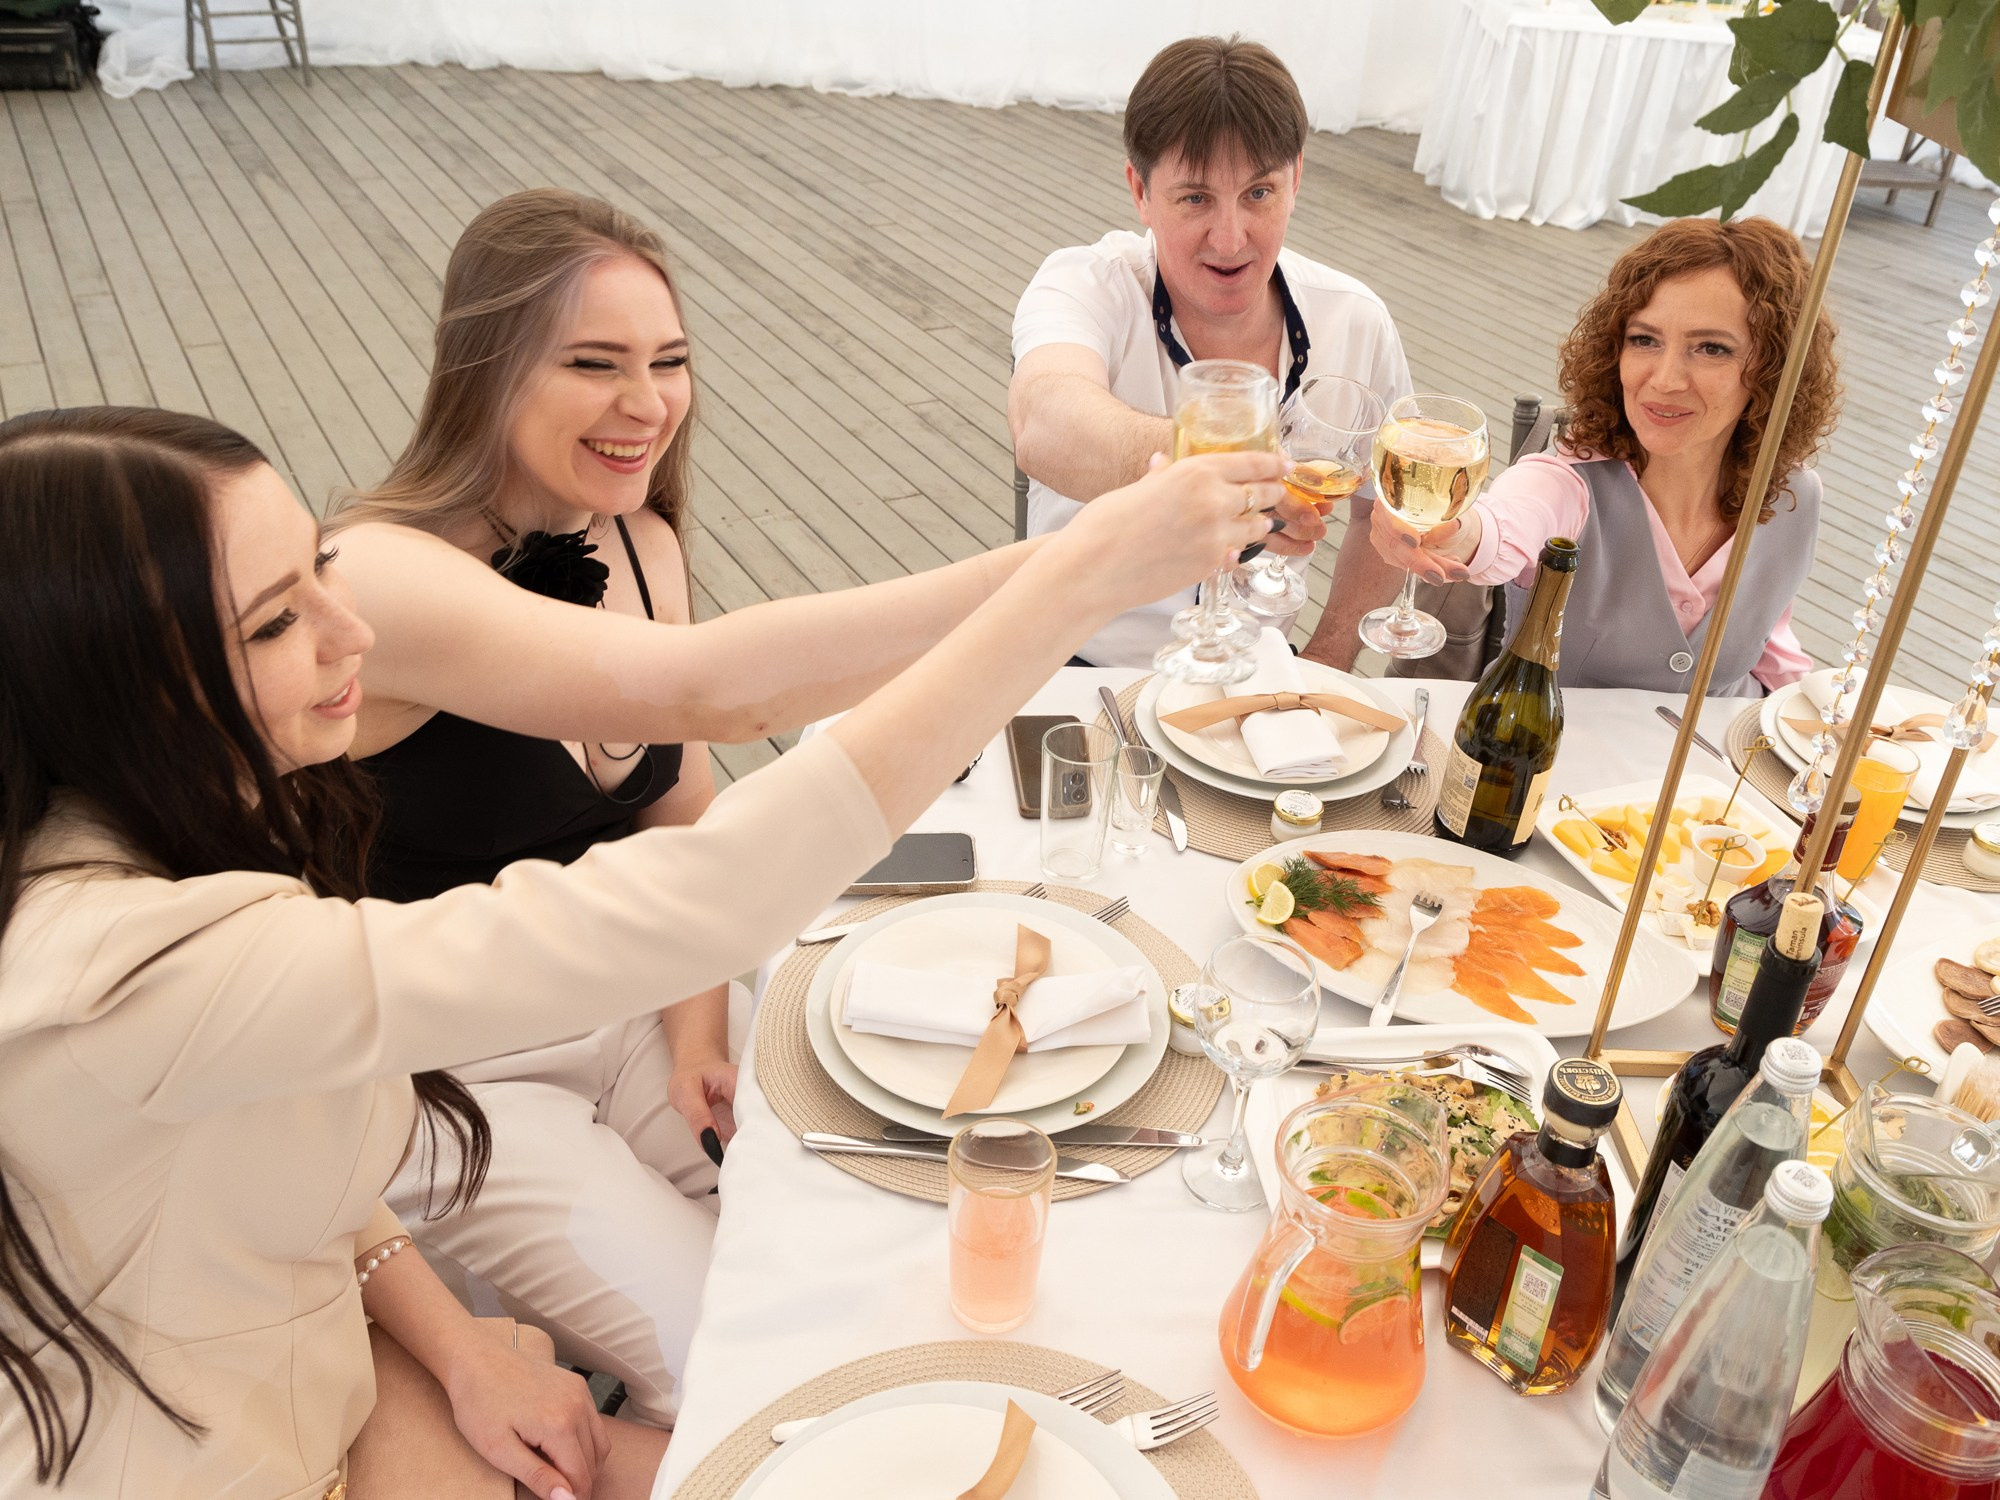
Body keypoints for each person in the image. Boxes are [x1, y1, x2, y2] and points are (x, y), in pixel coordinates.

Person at [0, 406, 1276, 1498]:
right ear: (122, 685)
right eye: (278, 623)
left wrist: (453, 1346)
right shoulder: (135, 970)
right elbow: (703, 891)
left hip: (316, 1383)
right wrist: (1071, 583)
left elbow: (287, 1181)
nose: (356, 636)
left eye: (322, 576)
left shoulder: (181, 820)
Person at [324, 188, 1131, 1425]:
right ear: (482, 368)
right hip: (460, 1089)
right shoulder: (381, 575)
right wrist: (1085, 563)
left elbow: (681, 814)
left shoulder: (640, 539)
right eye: (594, 363)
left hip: (640, 1003)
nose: (645, 403)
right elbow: (714, 694)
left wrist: (696, 1032)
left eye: (670, 362)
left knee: (866, 1243)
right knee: (740, 1369)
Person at [1007, 33, 1413, 671]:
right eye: (1195, 198)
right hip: (1076, 670)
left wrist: (1330, 658)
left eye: (1259, 194)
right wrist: (1222, 469)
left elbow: (1380, 512)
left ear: (1297, 178)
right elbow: (1043, 420)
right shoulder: (1085, 282)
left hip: (1257, 682)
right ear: (1140, 190)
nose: (1230, 238)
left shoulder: (1355, 318)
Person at [1372, 216, 1839, 697]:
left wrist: (1820, 719)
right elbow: (1499, 532)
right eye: (1645, 340)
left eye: (1711, 348)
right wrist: (1454, 533)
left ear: (1776, 369)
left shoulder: (1794, 495)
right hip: (1552, 759)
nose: (1664, 380)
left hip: (1716, 759)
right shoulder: (1565, 483)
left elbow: (1772, 644)